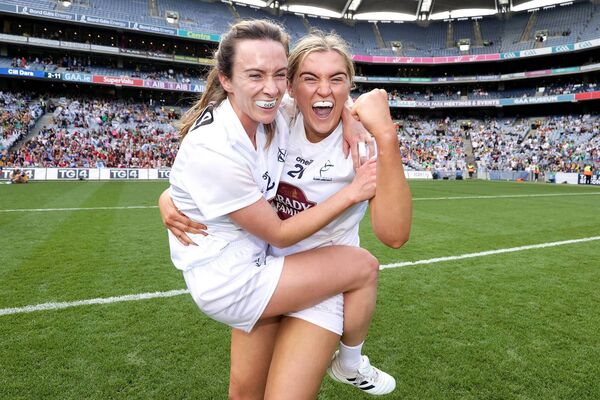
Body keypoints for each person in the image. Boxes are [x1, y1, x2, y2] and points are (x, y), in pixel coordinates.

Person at [161, 29, 412, 398]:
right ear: (293, 88)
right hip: (264, 265)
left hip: (322, 280)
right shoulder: (277, 117)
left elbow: (394, 236)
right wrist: (168, 198)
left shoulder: (363, 144)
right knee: (243, 393)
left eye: (337, 80)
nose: (323, 90)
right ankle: (351, 361)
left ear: (349, 86)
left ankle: (350, 362)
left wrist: (383, 134)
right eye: (309, 78)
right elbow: (219, 173)